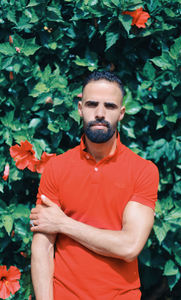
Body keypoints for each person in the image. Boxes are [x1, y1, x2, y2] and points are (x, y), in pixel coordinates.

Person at [30, 71, 159, 300]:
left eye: (109, 106)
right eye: (92, 104)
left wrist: (64, 223)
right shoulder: (56, 168)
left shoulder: (143, 171)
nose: (100, 113)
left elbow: (129, 247)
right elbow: (43, 248)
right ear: (80, 109)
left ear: (120, 113)